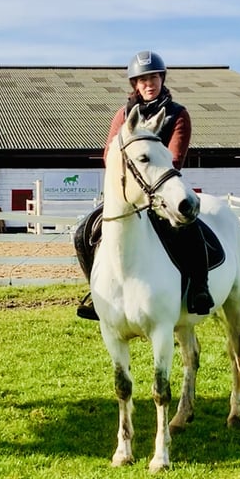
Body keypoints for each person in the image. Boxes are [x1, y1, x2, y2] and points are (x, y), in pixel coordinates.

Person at [74, 50, 213, 320]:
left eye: (154, 78)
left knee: (189, 228)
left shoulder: (177, 114)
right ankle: (97, 294)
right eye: (143, 79)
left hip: (162, 190)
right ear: (135, 85)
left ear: (162, 79)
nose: (149, 84)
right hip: (130, 192)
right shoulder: (123, 114)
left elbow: (174, 157)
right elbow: (109, 154)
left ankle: (199, 288)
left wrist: (153, 185)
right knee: (82, 234)